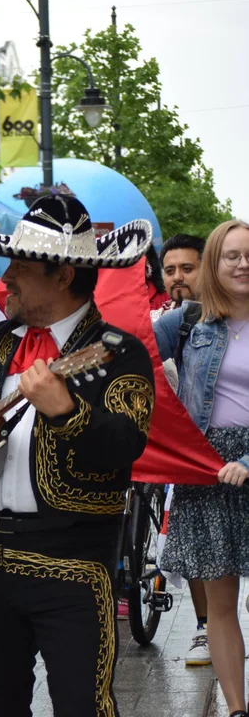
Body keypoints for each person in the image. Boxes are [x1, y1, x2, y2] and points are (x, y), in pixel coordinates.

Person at [0, 195, 156, 716]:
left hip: (73, 560)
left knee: (82, 706)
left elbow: (125, 447)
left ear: (63, 275)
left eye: (20, 265)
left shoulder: (118, 351)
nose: (8, 276)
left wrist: (67, 411)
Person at [154, 219, 249, 717]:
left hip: (247, 464)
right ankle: (236, 709)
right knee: (220, 604)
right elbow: (130, 350)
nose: (242, 263)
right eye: (231, 255)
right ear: (215, 263)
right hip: (208, 470)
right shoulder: (186, 323)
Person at [151, 232, 211, 666]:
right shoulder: (176, 322)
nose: (177, 278)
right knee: (194, 541)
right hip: (190, 448)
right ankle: (206, 627)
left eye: (187, 269)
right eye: (169, 270)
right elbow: (135, 351)